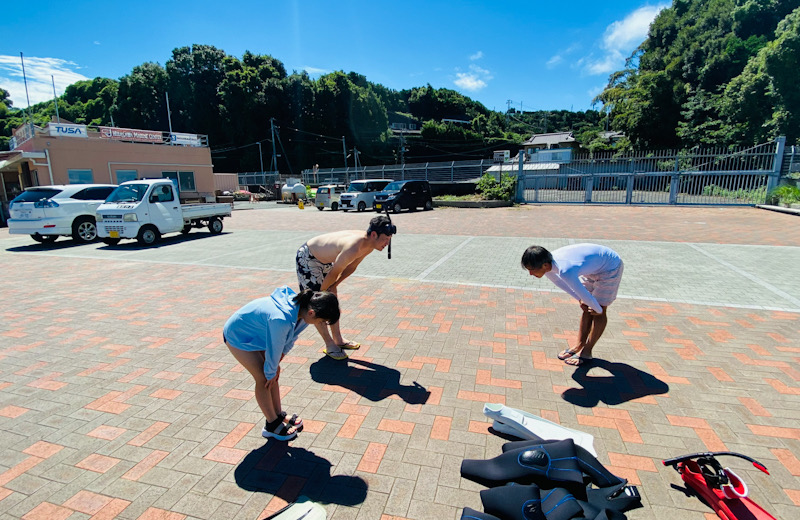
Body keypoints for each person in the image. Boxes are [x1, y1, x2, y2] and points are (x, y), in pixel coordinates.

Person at [224, 286, 340, 441]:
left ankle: (278, 415)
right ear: (312, 313)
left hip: (258, 335)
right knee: (264, 378)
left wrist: (275, 366)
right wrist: (271, 370)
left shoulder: (305, 310)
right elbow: (275, 346)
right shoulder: (282, 319)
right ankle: (271, 425)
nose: (322, 324)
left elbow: (288, 341)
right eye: (323, 321)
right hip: (238, 335)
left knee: (272, 374)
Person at [296, 215, 395, 360]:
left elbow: (351, 267)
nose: (388, 242)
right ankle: (329, 344)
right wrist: (322, 292)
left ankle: (338, 340)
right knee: (318, 304)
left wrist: (334, 285)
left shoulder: (369, 245)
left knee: (332, 298)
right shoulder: (353, 247)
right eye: (386, 239)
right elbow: (335, 271)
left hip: (324, 261)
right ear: (374, 234)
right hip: (308, 258)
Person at [521, 244, 624, 367]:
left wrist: (598, 309)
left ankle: (587, 352)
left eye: (532, 269)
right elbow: (561, 283)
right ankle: (579, 345)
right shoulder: (547, 263)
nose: (530, 273)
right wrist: (581, 299)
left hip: (610, 267)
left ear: (544, 265)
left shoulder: (565, 270)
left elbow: (577, 289)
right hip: (594, 268)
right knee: (587, 307)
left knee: (599, 308)